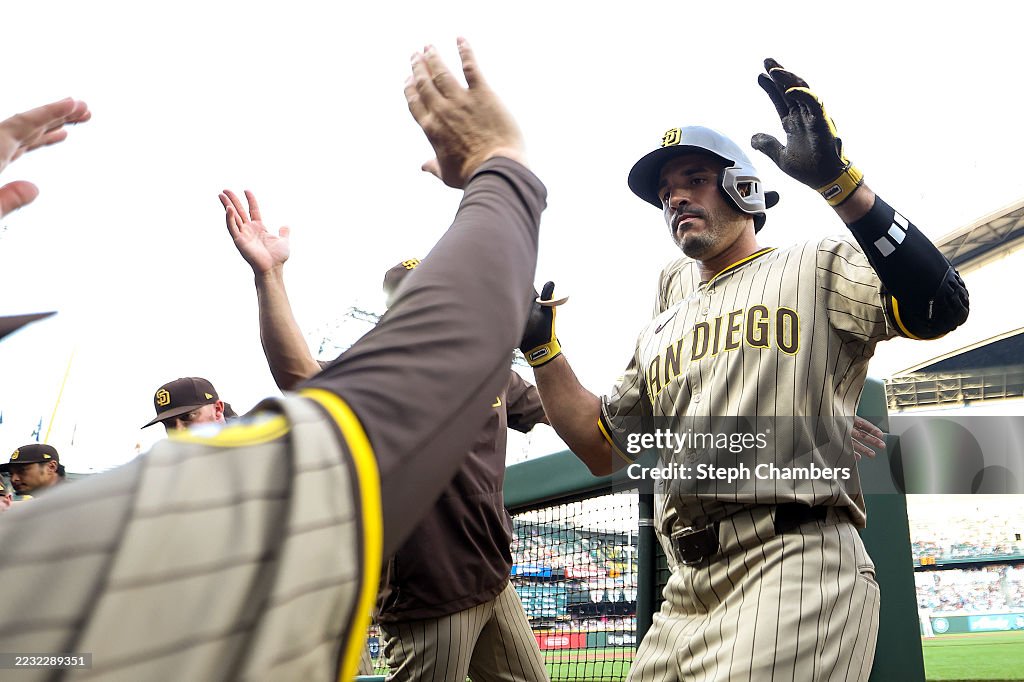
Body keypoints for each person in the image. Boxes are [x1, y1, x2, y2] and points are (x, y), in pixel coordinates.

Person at [0, 39, 548, 682]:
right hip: (422, 598)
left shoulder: (37, 577)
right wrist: (499, 167)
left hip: (493, 579)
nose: (180, 430)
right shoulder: (80, 547)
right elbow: (346, 386)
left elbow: (585, 429)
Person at [520, 58, 968, 682]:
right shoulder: (661, 324)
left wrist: (840, 183)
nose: (675, 196)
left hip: (791, 563)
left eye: (695, 179)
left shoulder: (813, 265)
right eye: (666, 192)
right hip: (684, 594)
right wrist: (543, 351)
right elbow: (603, 450)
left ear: (745, 191)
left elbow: (939, 304)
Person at [218, 184, 550, 681]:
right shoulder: (382, 369)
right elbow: (300, 376)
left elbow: (565, 410)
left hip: (494, 580)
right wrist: (270, 276)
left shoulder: (489, 367)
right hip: (429, 594)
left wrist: (549, 344)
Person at [141, 376, 239, 431]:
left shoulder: (251, 445)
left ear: (217, 409)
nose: (179, 431)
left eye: (188, 416)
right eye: (170, 424)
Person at [0, 443, 66, 497]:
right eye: (10, 474)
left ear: (51, 467)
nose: (13, 479)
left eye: (22, 471)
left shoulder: (72, 501)